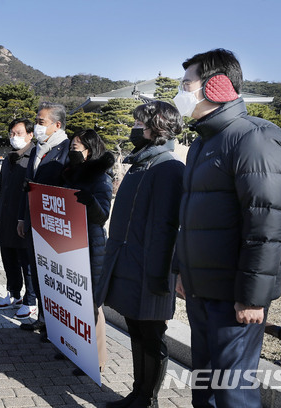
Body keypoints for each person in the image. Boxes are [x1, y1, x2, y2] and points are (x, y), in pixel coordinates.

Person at [175, 49, 281, 408]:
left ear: (217, 85)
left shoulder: (254, 138)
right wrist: (183, 272)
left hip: (233, 297)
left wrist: (253, 296)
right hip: (201, 291)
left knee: (234, 394)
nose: (180, 92)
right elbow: (191, 217)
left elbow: (266, 223)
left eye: (186, 83)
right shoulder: (203, 143)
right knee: (206, 388)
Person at [102, 101, 185, 408]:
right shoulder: (140, 165)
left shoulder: (170, 169)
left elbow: (169, 228)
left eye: (140, 123)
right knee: (136, 330)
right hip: (128, 264)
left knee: (151, 335)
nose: (135, 128)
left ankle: (148, 400)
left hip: (151, 271)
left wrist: (164, 275)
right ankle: (137, 393)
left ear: (158, 127)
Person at [62, 129, 115, 375]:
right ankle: (73, 347)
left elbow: (102, 215)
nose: (73, 150)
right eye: (71, 146)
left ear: (90, 150)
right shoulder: (69, 173)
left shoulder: (100, 178)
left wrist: (90, 202)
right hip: (69, 244)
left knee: (92, 305)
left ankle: (97, 359)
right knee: (71, 298)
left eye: (78, 147)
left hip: (91, 246)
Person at [16, 102, 70, 326]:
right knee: (36, 272)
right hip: (33, 220)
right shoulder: (38, 148)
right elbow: (27, 186)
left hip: (54, 226)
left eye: (41, 122)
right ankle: (43, 318)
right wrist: (22, 217)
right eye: (36, 121)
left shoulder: (66, 149)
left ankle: (56, 325)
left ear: (57, 125)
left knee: (53, 276)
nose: (37, 126)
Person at [0, 119, 35, 310]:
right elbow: (0, 187)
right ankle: (13, 293)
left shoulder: (34, 157)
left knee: (26, 262)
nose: (14, 137)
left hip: (22, 218)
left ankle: (30, 299)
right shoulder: (10, 158)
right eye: (12, 134)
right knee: (8, 258)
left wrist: (25, 218)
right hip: (5, 217)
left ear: (30, 135)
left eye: (19, 133)